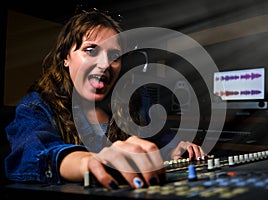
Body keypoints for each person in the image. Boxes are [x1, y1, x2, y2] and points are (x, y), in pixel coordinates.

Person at [4, 9, 206, 190]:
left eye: (115, 55)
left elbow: (160, 137)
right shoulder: (36, 106)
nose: (105, 64)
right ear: (66, 58)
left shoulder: (136, 102)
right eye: (90, 50)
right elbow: (28, 155)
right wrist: (88, 162)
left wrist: (175, 148)